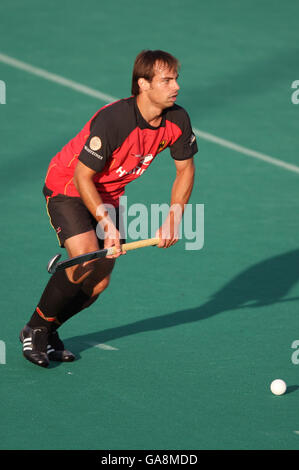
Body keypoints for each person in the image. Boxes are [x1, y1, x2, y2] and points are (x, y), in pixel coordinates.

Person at [19, 49, 198, 368]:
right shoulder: (114, 120)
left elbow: (185, 169)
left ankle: (51, 330)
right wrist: (108, 223)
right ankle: (35, 329)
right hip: (69, 186)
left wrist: (174, 218)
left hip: (109, 194)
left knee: (100, 280)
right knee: (84, 256)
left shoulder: (177, 120)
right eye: (166, 80)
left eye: (176, 79)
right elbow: (82, 177)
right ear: (143, 84)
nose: (176, 86)